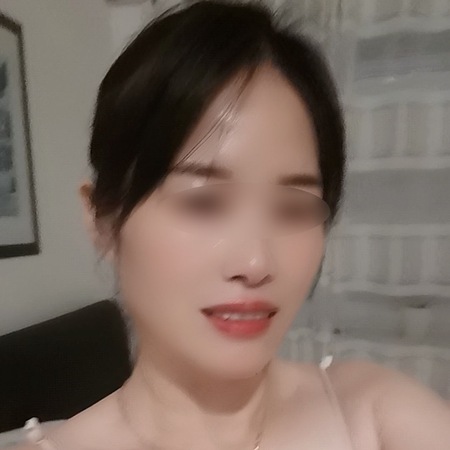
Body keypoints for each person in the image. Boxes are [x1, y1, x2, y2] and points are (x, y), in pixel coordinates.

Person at [12, 1, 450, 449]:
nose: (256, 263)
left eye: (293, 209)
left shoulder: (376, 415)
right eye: (204, 203)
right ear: (102, 219)